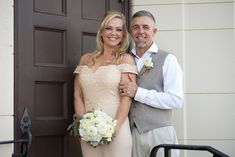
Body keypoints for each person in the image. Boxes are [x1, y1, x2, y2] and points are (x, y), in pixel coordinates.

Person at [119, 10, 184, 157]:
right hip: (132, 133)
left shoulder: (168, 59)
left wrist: (138, 93)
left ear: (154, 31)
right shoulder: (124, 59)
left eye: (145, 27)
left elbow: (176, 100)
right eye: (136, 27)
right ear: (130, 31)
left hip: (159, 133)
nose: (140, 31)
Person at [73, 10, 137, 157]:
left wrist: (114, 128)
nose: (113, 33)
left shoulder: (125, 59)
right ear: (101, 32)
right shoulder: (85, 59)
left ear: (123, 35)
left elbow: (126, 97)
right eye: (109, 28)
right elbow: (78, 95)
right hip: (89, 131)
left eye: (118, 29)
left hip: (116, 129)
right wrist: (81, 124)